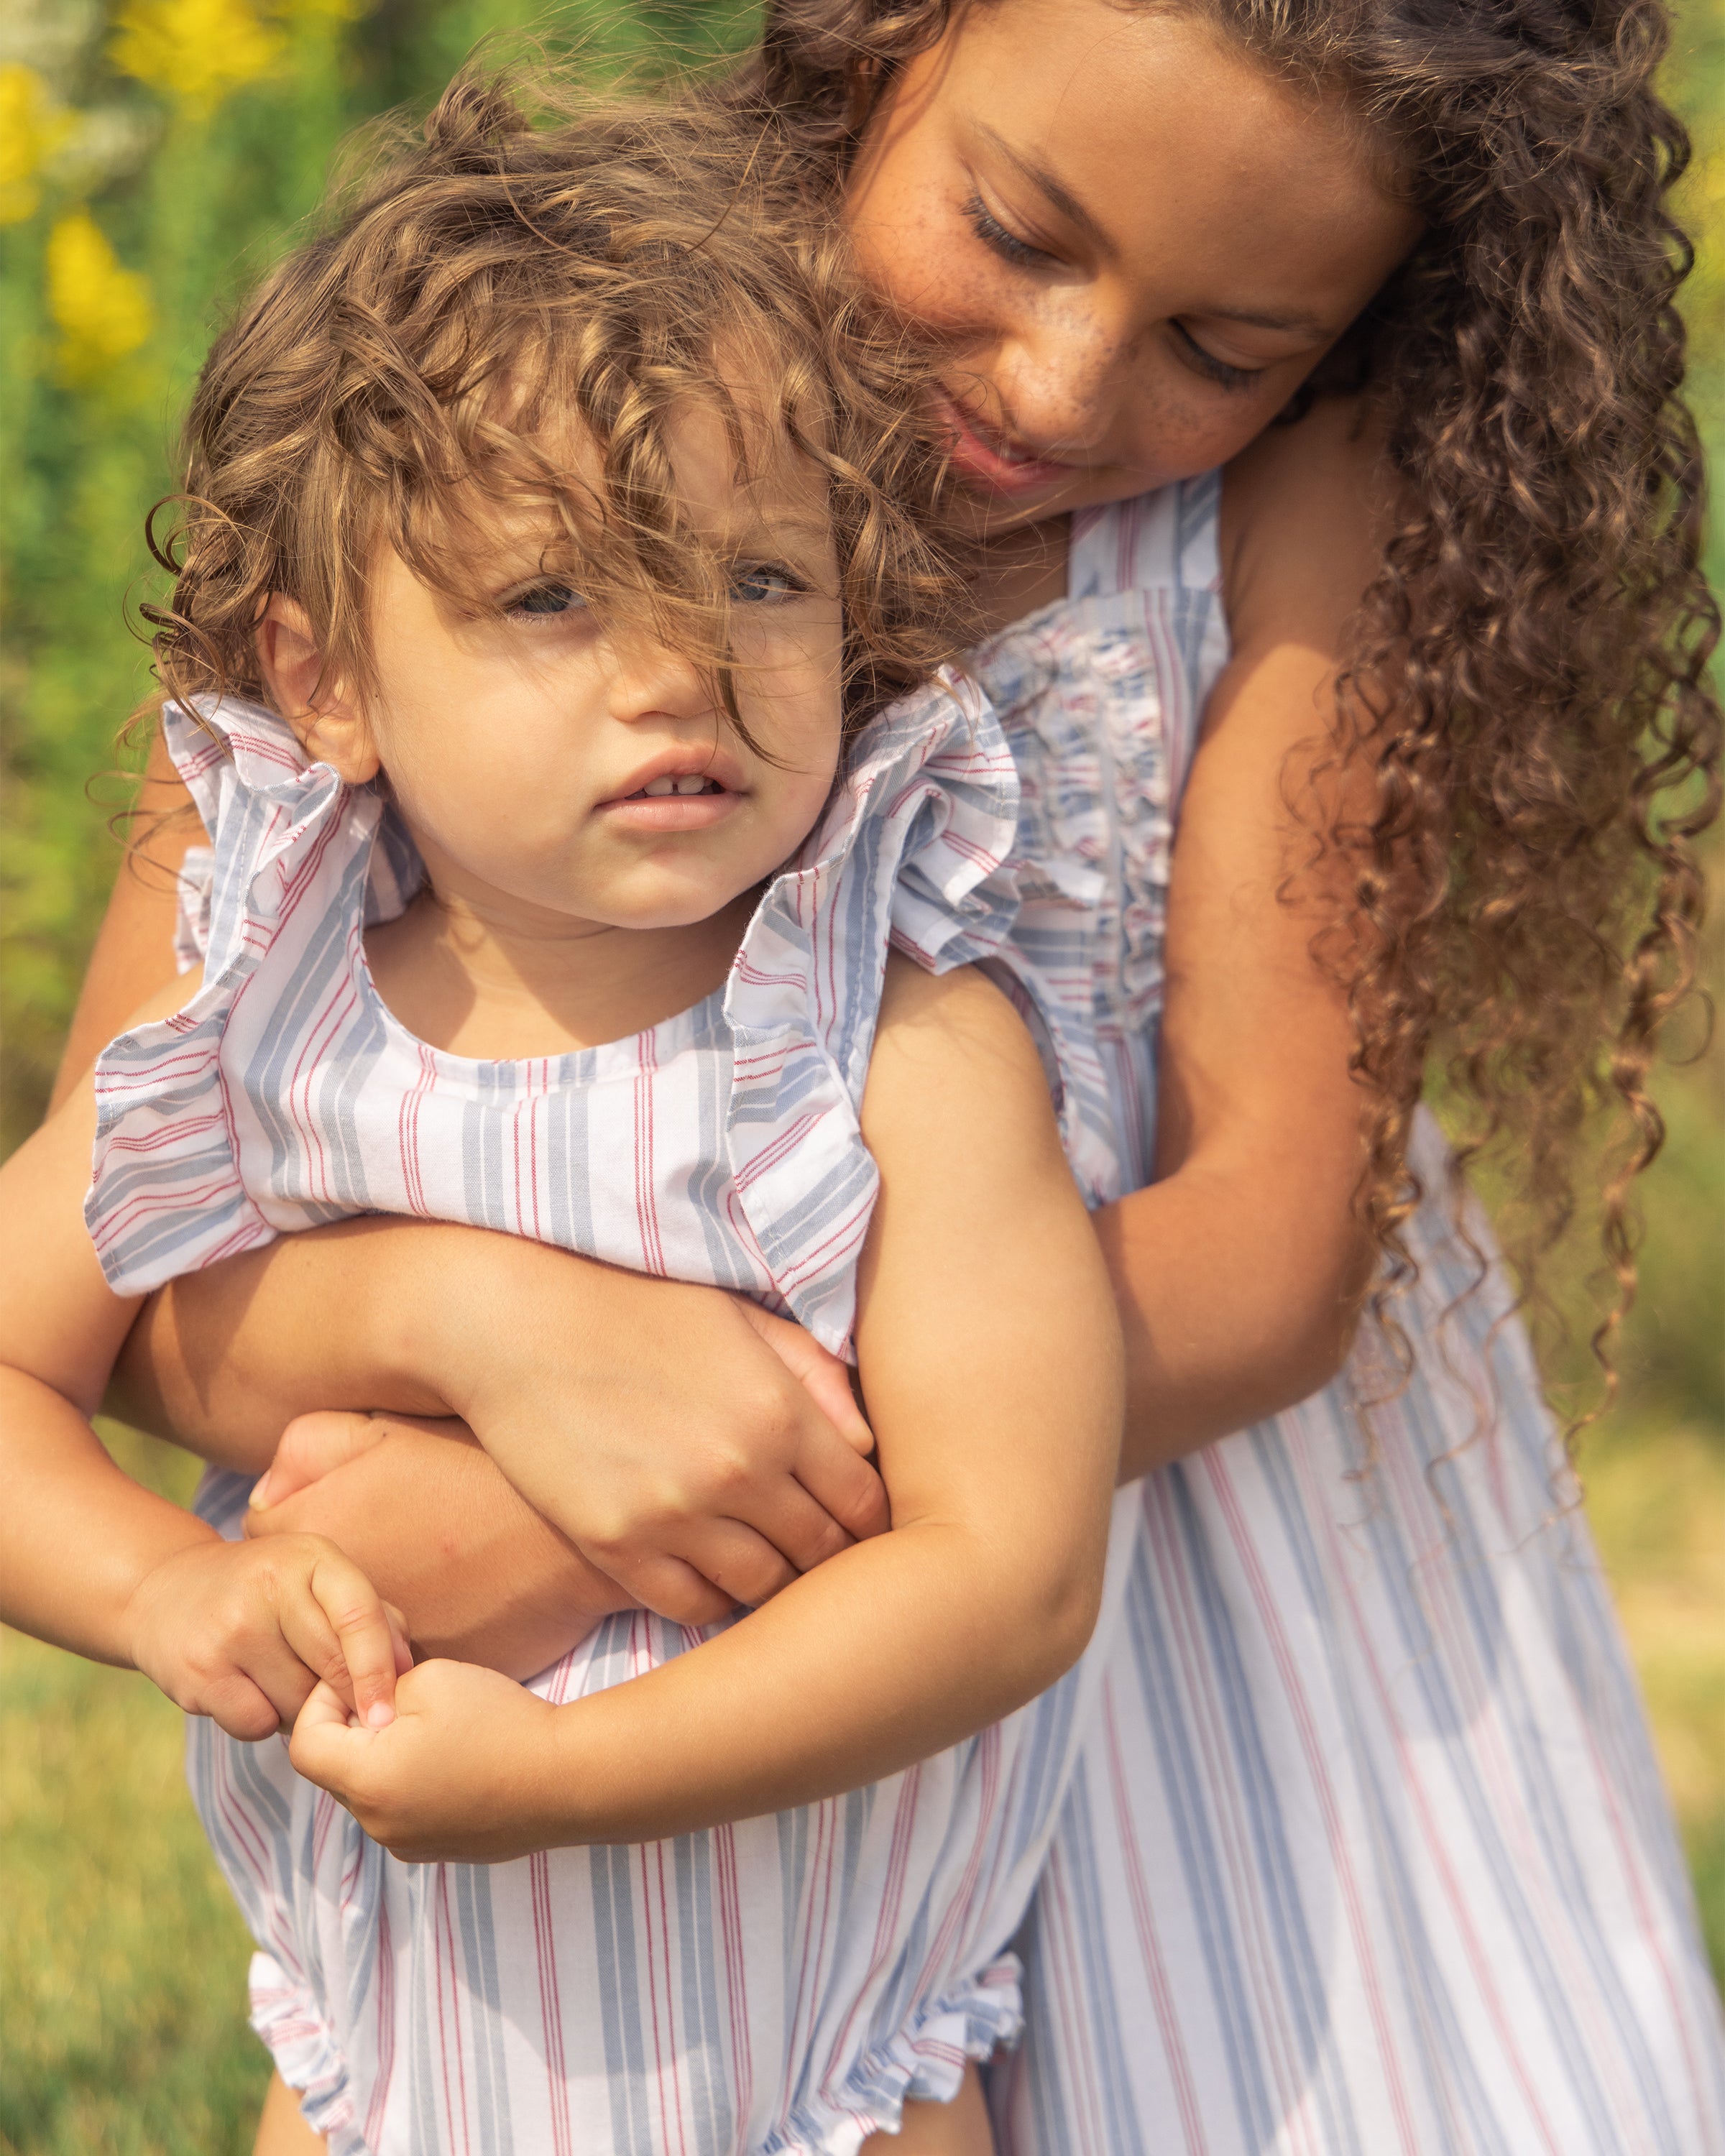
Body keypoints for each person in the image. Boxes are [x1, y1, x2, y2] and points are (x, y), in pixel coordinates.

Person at [52, 0, 1725, 2151]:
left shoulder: (1303, 504)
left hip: (1167, 1550)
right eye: (1015, 230)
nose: (1060, 384)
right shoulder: (480, 401)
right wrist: (470, 1332)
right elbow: (126, 1226)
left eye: (1227, 348)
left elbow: (1272, 1256)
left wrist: (552, 1511)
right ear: (878, 39)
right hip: (604, 1754)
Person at [1, 87, 1138, 2156]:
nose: (681, 672)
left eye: (764, 579)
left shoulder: (903, 1052)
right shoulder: (267, 1015)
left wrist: (567, 1783)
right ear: (324, 677)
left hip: (820, 2084)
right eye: (551, 600)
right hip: (380, 2072)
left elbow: (1013, 1573)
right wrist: (169, 1592)